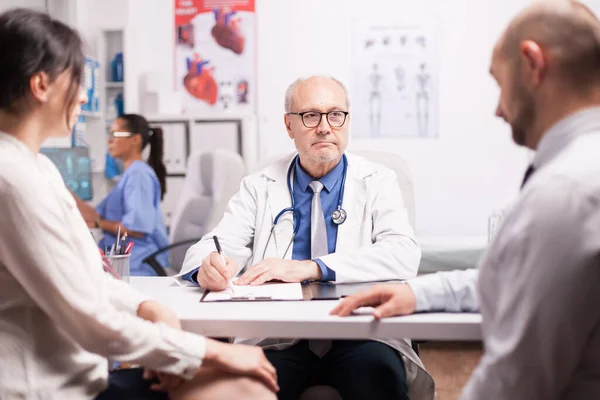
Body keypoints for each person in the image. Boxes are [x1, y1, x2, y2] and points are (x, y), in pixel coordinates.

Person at [0, 8, 278, 400]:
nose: (83, 95)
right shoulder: (12, 177)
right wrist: (207, 353)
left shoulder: (38, 168)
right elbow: (88, 317)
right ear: (41, 84)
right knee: (246, 388)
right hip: (50, 389)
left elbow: (93, 280)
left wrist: (149, 309)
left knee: (244, 386)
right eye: (77, 79)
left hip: (85, 371)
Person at [332, 1, 600, 399]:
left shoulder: (566, 192)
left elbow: (513, 383)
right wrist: (419, 293)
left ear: (532, 63)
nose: (498, 109)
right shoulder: (578, 171)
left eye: (499, 83)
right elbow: (524, 276)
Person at [176, 76, 435, 399]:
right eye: (311, 116)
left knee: (379, 378)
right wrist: (207, 266)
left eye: (335, 115)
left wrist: (314, 267)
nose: (325, 127)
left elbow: (403, 253)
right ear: (289, 125)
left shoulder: (378, 180)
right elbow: (213, 247)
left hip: (360, 333)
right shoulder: (259, 186)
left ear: (347, 121)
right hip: (279, 335)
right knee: (246, 390)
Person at [75, 113, 170, 276]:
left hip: (140, 265)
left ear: (136, 140)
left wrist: (99, 224)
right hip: (127, 262)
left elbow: (136, 229)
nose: (109, 140)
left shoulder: (138, 175)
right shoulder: (129, 174)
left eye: (115, 134)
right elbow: (96, 216)